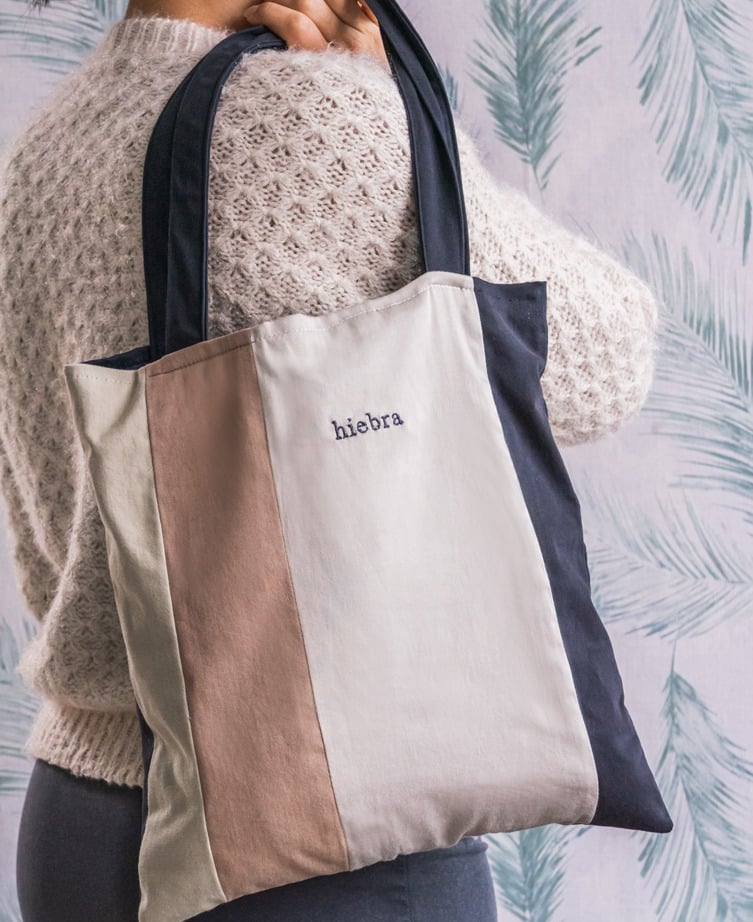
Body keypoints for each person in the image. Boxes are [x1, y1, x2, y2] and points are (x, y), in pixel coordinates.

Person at [0, 0, 658, 919]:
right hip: (311, 832)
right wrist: (407, 121)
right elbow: (605, 360)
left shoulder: (40, 153)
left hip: (76, 821)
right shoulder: (308, 116)